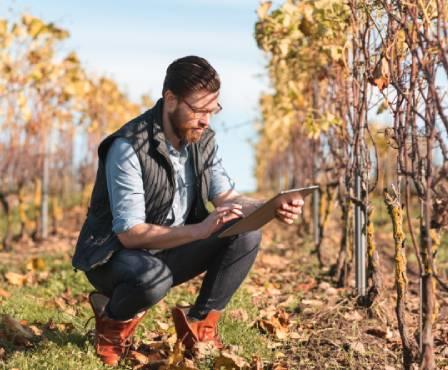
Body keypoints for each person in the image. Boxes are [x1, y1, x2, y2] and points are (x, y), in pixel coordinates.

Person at [72, 55, 303, 366]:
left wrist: (271, 206)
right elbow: (130, 234)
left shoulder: (202, 141)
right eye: (198, 110)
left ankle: (198, 325)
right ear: (170, 100)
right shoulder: (129, 146)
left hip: (170, 248)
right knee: (153, 277)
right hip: (115, 256)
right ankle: (111, 323)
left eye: (213, 110)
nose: (206, 120)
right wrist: (199, 230)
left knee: (247, 233)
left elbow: (228, 198)